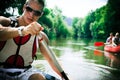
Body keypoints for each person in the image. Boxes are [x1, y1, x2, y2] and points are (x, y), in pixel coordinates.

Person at [0, 0, 63, 80]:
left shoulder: (41, 36)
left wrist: (64, 76)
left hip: (24, 72)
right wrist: (24, 30)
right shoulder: (5, 21)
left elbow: (51, 59)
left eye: (37, 13)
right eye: (29, 9)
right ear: (24, 8)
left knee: (38, 78)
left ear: (41, 15)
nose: (31, 15)